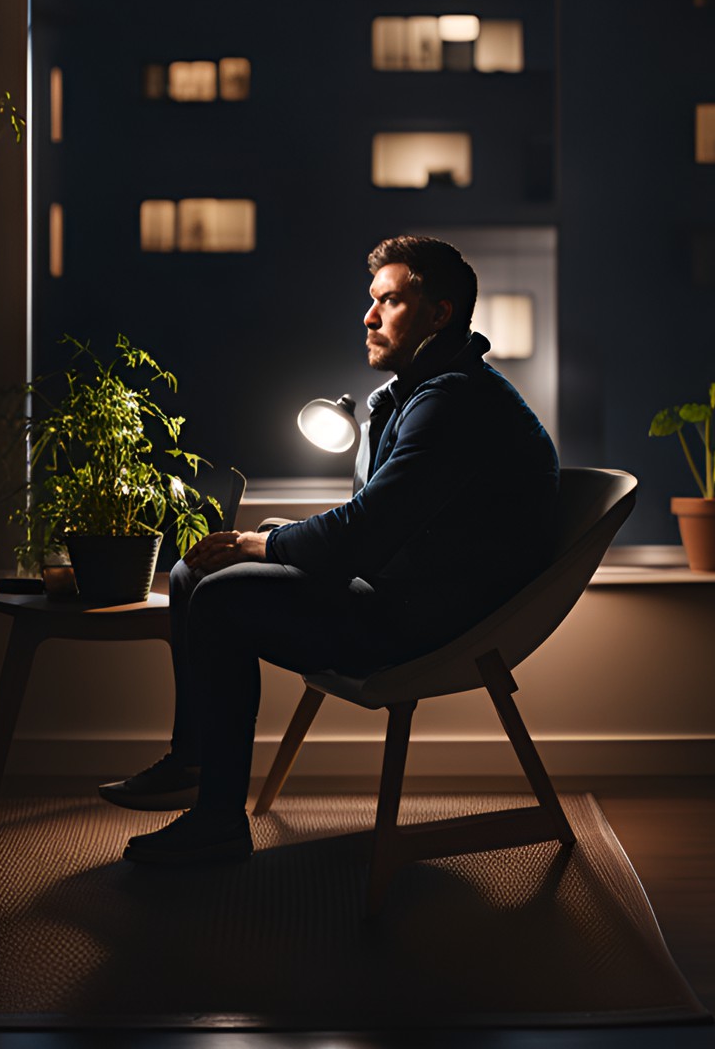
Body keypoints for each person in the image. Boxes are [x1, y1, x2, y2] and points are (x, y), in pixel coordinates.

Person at [106, 234, 559, 866]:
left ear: (439, 313)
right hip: (396, 589)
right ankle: (193, 763)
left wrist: (266, 544)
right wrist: (274, 541)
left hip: (430, 621)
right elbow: (381, 526)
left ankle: (217, 818)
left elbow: (365, 534)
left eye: (390, 301)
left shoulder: (453, 403)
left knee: (217, 595)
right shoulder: (417, 398)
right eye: (370, 301)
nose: (368, 317)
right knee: (191, 571)